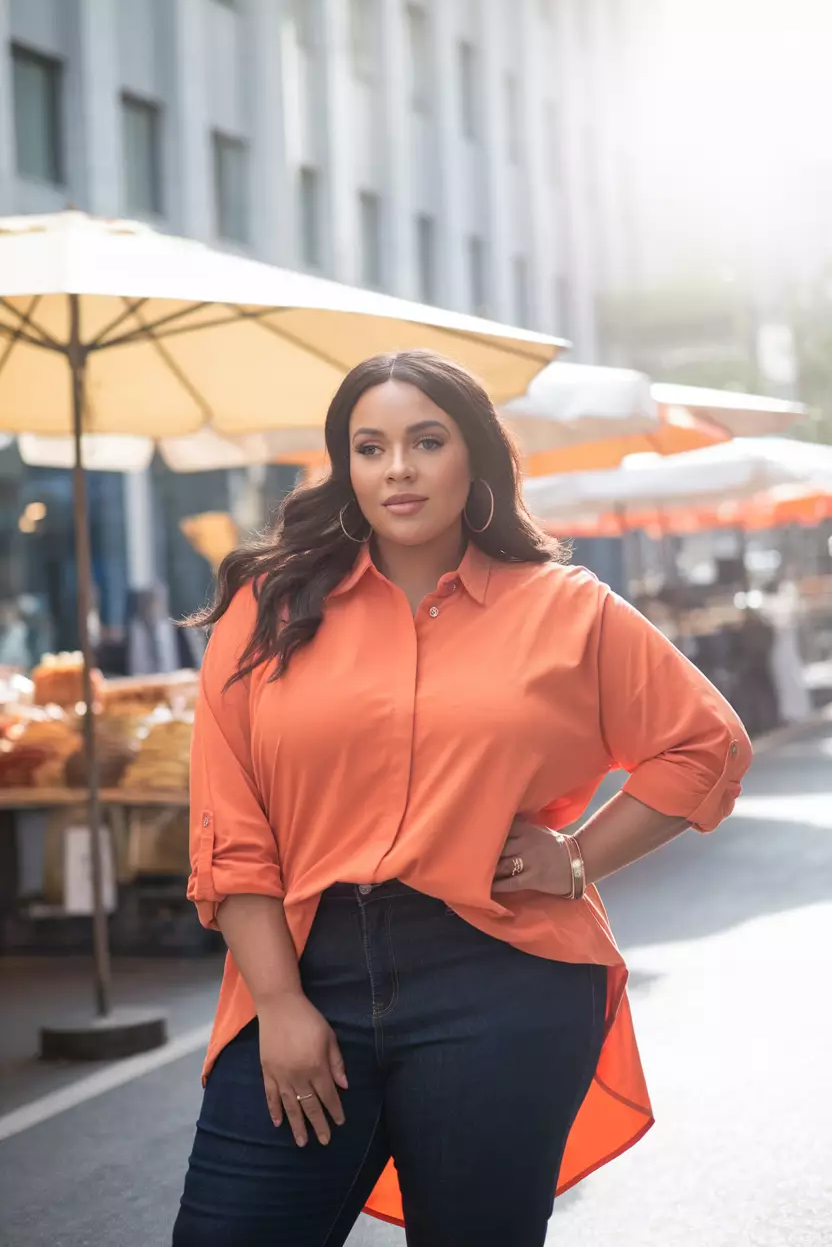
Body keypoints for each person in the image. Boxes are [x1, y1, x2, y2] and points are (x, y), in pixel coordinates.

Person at [172, 350, 752, 1247]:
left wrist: (580, 856)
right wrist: (279, 1004)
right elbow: (232, 829)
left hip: (501, 975)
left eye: (425, 441)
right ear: (347, 468)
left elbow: (705, 743)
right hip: (305, 968)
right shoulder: (270, 609)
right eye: (370, 448)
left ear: (473, 456)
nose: (397, 468)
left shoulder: (567, 610)